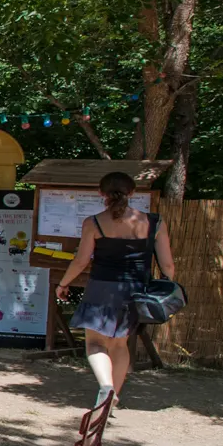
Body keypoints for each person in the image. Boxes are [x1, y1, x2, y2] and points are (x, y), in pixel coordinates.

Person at [56, 171, 175, 407]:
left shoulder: (94, 222)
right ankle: (111, 400)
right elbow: (167, 264)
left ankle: (106, 387)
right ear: (132, 193)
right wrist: (166, 288)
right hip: (135, 290)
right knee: (120, 344)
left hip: (100, 288)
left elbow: (81, 261)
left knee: (95, 344)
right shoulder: (155, 223)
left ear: (101, 194)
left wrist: (63, 283)